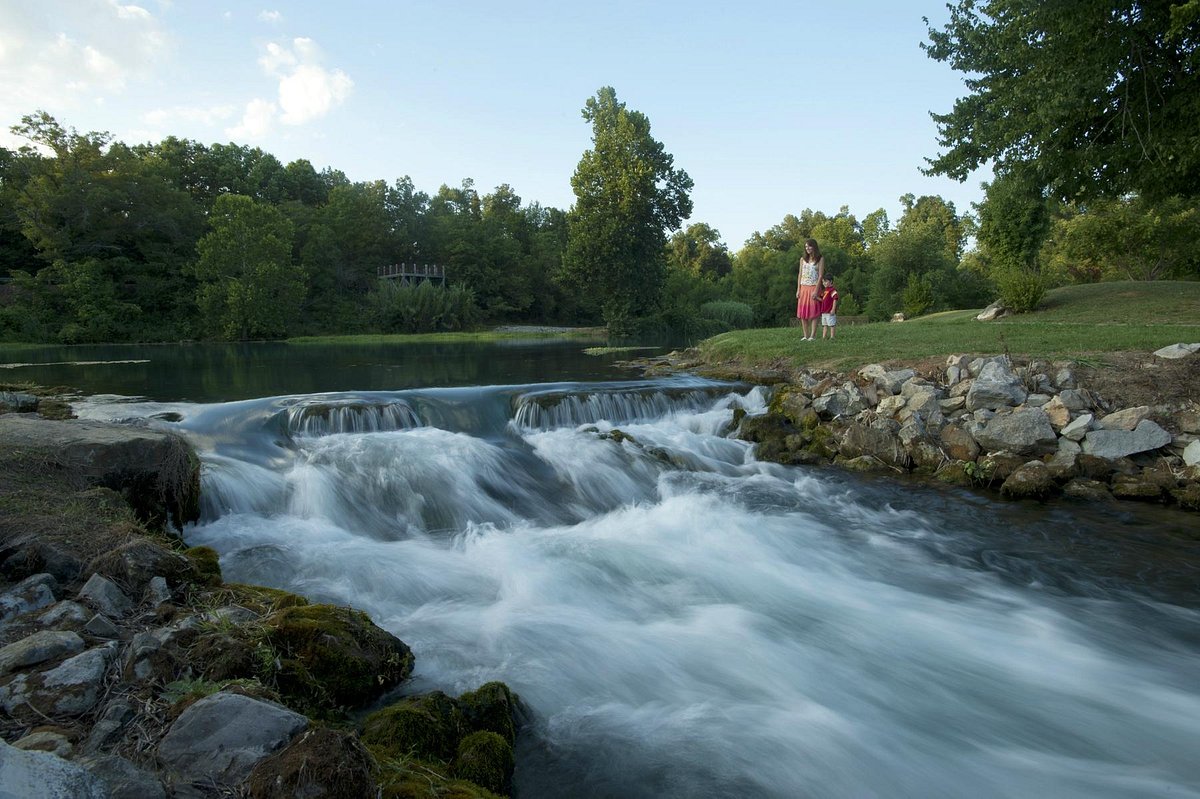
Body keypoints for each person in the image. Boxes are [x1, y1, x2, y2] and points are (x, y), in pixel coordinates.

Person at [795, 238, 825, 340]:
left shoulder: (820, 259)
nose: (807, 248)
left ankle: (812, 336)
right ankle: (805, 335)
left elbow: (820, 276)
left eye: (809, 246)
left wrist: (816, 290)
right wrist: (798, 289)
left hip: (813, 287)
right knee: (803, 313)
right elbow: (800, 274)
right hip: (803, 287)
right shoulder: (802, 259)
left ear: (814, 247)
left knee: (814, 312)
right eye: (806, 246)